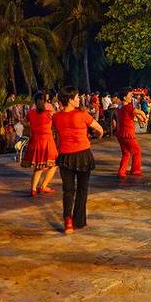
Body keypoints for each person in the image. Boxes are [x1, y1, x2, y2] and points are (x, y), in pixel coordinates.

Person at [52, 86, 103, 234]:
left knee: (68, 190)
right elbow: (99, 128)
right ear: (69, 100)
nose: (79, 99)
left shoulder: (56, 117)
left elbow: (55, 132)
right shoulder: (82, 115)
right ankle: (78, 220)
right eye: (76, 97)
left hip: (65, 156)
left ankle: (68, 221)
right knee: (82, 188)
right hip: (82, 155)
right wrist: (98, 135)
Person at [21, 92, 58, 197]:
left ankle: (33, 189)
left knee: (38, 166)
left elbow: (23, 122)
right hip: (47, 141)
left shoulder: (30, 113)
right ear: (45, 101)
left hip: (35, 140)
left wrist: (32, 127)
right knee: (54, 164)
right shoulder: (50, 113)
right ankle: (43, 186)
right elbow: (58, 122)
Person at [116, 88, 148, 178]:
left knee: (126, 153)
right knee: (137, 151)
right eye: (130, 95)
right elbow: (140, 112)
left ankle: (121, 172)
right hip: (128, 133)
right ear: (124, 97)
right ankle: (135, 170)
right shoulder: (128, 107)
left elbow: (135, 114)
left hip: (120, 133)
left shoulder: (120, 107)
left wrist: (142, 119)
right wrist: (145, 118)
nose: (131, 97)